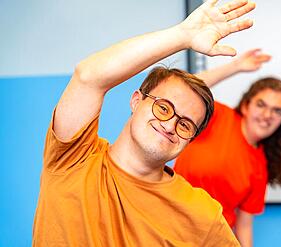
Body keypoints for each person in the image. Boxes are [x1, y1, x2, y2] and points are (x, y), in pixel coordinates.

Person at [32, 0, 257, 246]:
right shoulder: (73, 157)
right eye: (163, 108)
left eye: (185, 125)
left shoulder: (202, 215)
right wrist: (183, 35)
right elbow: (88, 77)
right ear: (136, 101)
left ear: (190, 140)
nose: (171, 124)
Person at [174, 49, 281, 247]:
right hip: (170, 225)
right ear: (246, 105)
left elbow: (244, 226)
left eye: (277, 111)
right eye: (261, 104)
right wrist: (235, 67)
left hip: (212, 240)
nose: (268, 115)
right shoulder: (217, 116)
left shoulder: (260, 167)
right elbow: (183, 90)